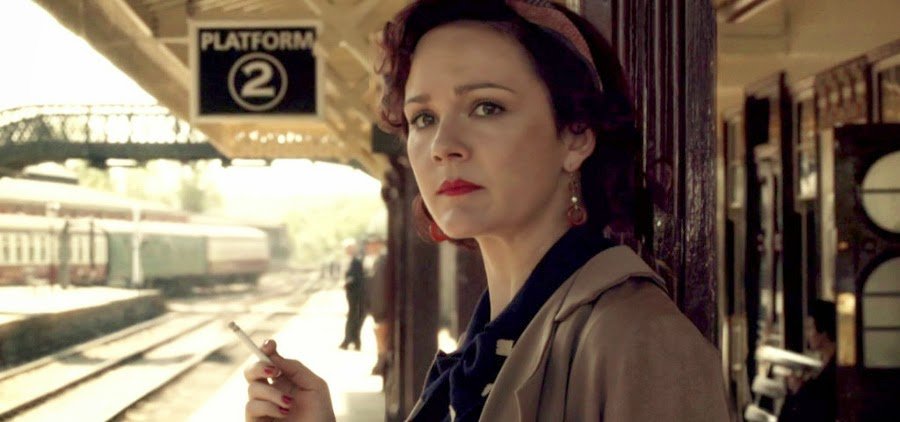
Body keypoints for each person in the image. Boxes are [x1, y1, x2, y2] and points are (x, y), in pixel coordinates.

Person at [243, 0, 731, 420]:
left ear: (576, 135)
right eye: (423, 117)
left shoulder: (643, 342)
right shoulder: (490, 342)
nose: (443, 145)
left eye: (486, 107)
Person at [778, 299, 837, 422]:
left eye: (810, 328)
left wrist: (799, 389)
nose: (807, 334)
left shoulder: (834, 371)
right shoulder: (819, 365)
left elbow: (821, 411)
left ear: (823, 332)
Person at [364, 235, 391, 376]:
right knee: (382, 341)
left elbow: (380, 288)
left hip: (383, 310)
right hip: (380, 309)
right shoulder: (378, 260)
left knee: (383, 342)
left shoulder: (382, 260)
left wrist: (378, 311)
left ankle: (382, 365)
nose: (368, 247)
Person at [339, 238, 365, 351]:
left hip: (356, 293)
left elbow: (358, 277)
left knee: (353, 317)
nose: (347, 250)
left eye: (349, 248)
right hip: (351, 293)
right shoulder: (350, 260)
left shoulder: (356, 261)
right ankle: (352, 340)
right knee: (353, 316)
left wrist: (348, 282)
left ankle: (349, 340)